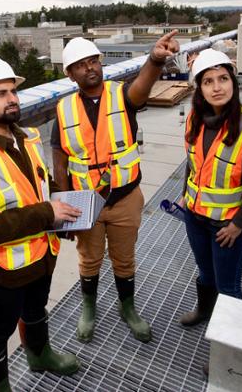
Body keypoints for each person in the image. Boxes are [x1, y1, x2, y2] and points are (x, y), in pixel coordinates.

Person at [0, 56, 81, 392]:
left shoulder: (28, 138)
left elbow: (40, 187)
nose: (12, 99)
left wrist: (66, 212)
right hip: (4, 270)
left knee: (36, 309)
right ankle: (0, 384)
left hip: (41, 254)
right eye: (0, 94)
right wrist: (47, 214)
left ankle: (39, 354)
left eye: (13, 92)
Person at [51, 32, 180, 343]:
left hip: (125, 198)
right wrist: (63, 211)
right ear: (70, 73)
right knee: (89, 259)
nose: (90, 68)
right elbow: (59, 161)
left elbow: (142, 88)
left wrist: (155, 60)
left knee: (124, 259)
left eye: (93, 60)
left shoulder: (122, 95)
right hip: (87, 204)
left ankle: (128, 308)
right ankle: (89, 308)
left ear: (101, 62)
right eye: (80, 65)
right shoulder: (63, 109)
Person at [177, 49, 242, 327]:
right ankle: (205, 311)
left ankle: (228, 350)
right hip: (195, 218)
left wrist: (239, 224)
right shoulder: (195, 119)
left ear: (233, 83)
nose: (217, 87)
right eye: (208, 81)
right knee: (206, 274)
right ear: (199, 89)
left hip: (227, 228)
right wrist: (184, 196)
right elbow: (193, 163)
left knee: (228, 287)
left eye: (223, 78)